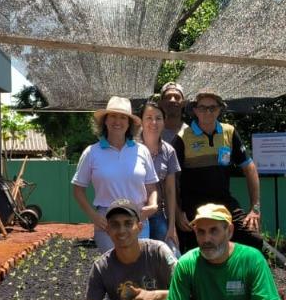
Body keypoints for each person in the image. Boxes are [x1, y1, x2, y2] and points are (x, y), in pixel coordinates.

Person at [172, 89, 262, 252]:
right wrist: (178, 213)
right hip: (193, 206)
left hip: (224, 202)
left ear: (220, 109)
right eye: (203, 107)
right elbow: (172, 179)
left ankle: (240, 276)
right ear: (195, 110)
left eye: (212, 107)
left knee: (253, 239)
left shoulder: (229, 132)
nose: (207, 112)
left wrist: (255, 208)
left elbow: (249, 168)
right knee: (196, 251)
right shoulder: (182, 137)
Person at [71, 97, 159, 252]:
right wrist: (94, 216)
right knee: (113, 271)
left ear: (129, 123)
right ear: (105, 120)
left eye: (123, 117)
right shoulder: (92, 152)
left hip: (138, 218)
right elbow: (78, 190)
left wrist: (152, 205)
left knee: (138, 270)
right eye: (113, 116)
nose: (117, 121)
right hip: (107, 220)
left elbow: (152, 187)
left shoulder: (142, 151)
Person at [139, 99, 181, 255]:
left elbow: (170, 191)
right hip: (135, 215)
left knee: (172, 256)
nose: (153, 122)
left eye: (158, 118)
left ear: (164, 122)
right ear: (141, 121)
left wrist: (171, 226)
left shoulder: (168, 151)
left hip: (157, 215)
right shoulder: (130, 148)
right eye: (149, 118)